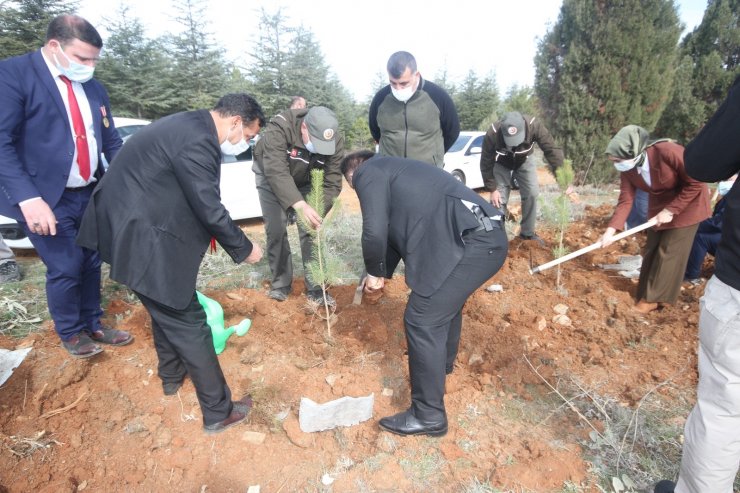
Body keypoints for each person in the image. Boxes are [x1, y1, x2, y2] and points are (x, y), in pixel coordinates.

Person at [77, 93, 266, 435]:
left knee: (165, 301)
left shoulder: (189, 125)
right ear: (236, 121)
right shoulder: (198, 140)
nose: (246, 142)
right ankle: (218, 412)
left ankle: (170, 376)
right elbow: (208, 205)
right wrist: (244, 247)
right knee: (189, 321)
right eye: (250, 135)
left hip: (132, 225)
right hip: (139, 235)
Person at [341, 150, 508, 437]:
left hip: (474, 243)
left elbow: (375, 230)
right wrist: (380, 271)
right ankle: (441, 367)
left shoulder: (368, 171)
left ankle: (428, 415)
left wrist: (374, 272)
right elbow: (391, 237)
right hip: (486, 237)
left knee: (422, 318)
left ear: (354, 175)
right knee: (444, 304)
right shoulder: (400, 173)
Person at [0, 14, 132, 358]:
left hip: (88, 191)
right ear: (54, 46)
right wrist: (28, 198)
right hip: (45, 195)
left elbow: (110, 141)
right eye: (82, 58)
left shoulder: (92, 86)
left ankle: (94, 322)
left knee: (91, 261)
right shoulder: (14, 76)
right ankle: (71, 332)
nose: (89, 66)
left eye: (94, 60)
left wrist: (128, 181)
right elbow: (1, 142)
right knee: (65, 266)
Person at [653, 75, 740, 493]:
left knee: (724, 407)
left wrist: (671, 212)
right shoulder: (638, 167)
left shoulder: (666, 153)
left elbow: (702, 164)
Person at [600, 125, 710, 314]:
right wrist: (610, 231)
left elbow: (697, 182)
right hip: (659, 208)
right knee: (651, 250)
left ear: (633, 152)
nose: (616, 165)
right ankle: (646, 294)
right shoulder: (628, 169)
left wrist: (671, 210)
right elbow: (626, 200)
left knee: (669, 251)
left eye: (618, 160)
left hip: (689, 204)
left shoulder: (667, 152)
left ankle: (651, 300)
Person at [253, 106, 345, 303]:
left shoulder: (335, 138)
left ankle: (316, 288)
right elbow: (276, 170)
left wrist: (316, 211)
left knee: (311, 229)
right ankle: (281, 283)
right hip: (271, 176)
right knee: (276, 228)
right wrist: (298, 204)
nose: (320, 148)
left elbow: (332, 182)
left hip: (309, 180)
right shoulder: (280, 127)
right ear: (304, 127)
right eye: (316, 142)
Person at [480, 111, 565, 242]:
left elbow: (552, 150)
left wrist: (563, 179)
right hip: (501, 162)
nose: (513, 144)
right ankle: (494, 237)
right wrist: (492, 189)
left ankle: (527, 233)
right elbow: (485, 161)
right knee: (498, 199)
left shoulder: (534, 126)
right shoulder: (493, 133)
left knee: (532, 193)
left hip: (524, 160)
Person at [368, 51, 460, 167]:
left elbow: (452, 131)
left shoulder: (438, 96)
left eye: (404, 83)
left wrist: (435, 157)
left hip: (428, 173)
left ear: (416, 75)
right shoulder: (380, 98)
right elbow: (375, 131)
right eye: (393, 83)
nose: (398, 88)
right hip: (390, 172)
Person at [683, 175, 736, 285]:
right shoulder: (732, 195)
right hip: (734, 241)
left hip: (735, 249)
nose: (722, 182)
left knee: (701, 238)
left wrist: (692, 224)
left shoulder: (735, 198)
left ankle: (691, 276)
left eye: (728, 179)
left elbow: (717, 224)